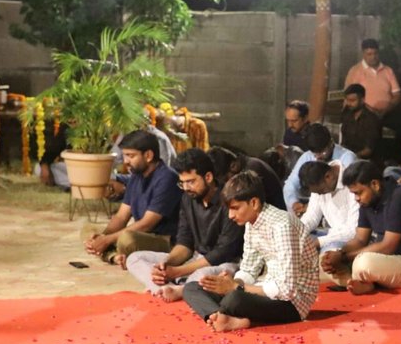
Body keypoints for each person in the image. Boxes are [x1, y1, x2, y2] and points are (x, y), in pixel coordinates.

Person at [182, 171, 321, 331]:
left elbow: (286, 290)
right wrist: (231, 282)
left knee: (234, 299)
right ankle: (220, 316)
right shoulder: (251, 223)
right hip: (263, 289)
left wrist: (235, 287)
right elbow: (249, 269)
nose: (230, 215)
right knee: (192, 288)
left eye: (235, 208)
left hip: (293, 303)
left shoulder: (282, 226)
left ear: (254, 203)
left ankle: (224, 314)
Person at [125, 147, 244, 300]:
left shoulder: (229, 200)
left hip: (224, 263)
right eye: (182, 183)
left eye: (191, 182)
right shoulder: (188, 198)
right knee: (134, 259)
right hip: (195, 259)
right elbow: (184, 243)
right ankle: (173, 288)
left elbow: (222, 253)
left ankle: (176, 288)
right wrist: (165, 265)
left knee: (204, 275)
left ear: (208, 177)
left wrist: (178, 271)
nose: (186, 188)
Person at [324, 160, 401, 293]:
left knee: (363, 262)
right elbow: (360, 240)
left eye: (358, 193)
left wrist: (344, 258)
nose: (356, 198)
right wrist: (339, 254)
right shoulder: (367, 201)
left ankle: (361, 280)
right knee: (326, 259)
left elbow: (388, 246)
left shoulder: (400, 197)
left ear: (375, 184)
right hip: (388, 262)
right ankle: (363, 281)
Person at [83, 130, 181, 264]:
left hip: (165, 240)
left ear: (148, 155)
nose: (125, 161)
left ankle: (113, 255)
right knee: (89, 231)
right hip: (142, 235)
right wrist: (103, 237)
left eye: (130, 156)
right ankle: (115, 257)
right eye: (124, 155)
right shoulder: (136, 176)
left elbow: (146, 224)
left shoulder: (167, 178)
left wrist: (107, 240)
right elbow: (121, 217)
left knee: (126, 240)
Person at [344, 38, 401, 151]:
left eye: (375, 53)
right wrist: (369, 111)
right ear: (363, 54)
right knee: (370, 127)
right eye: (369, 54)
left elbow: (397, 95)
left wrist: (386, 109)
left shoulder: (388, 71)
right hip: (365, 114)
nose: (373, 57)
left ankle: (400, 156)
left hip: (387, 113)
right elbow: (350, 97)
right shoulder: (355, 71)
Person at [284, 123, 357, 211]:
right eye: (315, 153)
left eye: (322, 152)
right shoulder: (307, 156)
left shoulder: (347, 158)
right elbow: (290, 185)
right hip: (312, 205)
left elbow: (347, 193)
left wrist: (310, 208)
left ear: (331, 143)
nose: (318, 157)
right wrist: (294, 203)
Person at [296, 159, 360, 253]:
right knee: (297, 240)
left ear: (328, 177)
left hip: (349, 238)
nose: (319, 195)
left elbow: (353, 231)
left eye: (321, 191)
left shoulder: (353, 183)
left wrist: (319, 242)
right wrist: (296, 232)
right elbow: (312, 216)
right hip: (330, 233)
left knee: (329, 251)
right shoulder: (318, 181)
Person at [339, 82, 384, 162]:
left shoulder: (372, 119)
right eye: (347, 100)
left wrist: (351, 157)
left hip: (367, 161)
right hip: (348, 156)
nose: (349, 103)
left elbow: (369, 150)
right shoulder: (346, 114)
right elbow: (344, 141)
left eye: (352, 100)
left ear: (362, 100)